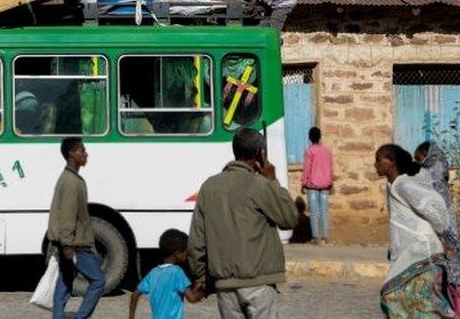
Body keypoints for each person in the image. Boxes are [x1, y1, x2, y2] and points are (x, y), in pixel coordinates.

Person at [188, 128, 298, 319]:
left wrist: (201, 276)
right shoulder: (261, 186)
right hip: (259, 282)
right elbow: (289, 219)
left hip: (225, 285)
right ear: (261, 154)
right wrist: (273, 181)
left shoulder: (209, 187)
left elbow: (197, 240)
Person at [375, 143, 455, 317]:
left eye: (379, 160)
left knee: (403, 299)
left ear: (391, 162)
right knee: (405, 301)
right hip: (411, 253)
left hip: (424, 252)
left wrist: (441, 233)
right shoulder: (394, 185)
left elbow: (434, 213)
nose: (376, 165)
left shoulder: (404, 186)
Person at [48, 137, 104, 319]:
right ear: (72, 153)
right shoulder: (72, 181)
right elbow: (68, 216)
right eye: (82, 150)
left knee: (64, 283)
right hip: (75, 245)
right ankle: (80, 317)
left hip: (68, 243)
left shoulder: (68, 177)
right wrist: (67, 245)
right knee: (98, 281)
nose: (85, 154)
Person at [414, 142, 460, 314]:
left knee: (447, 273)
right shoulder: (436, 170)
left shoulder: (433, 173)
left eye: (417, 157)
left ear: (427, 155)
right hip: (445, 228)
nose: (416, 161)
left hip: (442, 230)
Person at [129, 229, 205, 319]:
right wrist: (204, 291)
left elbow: (134, 295)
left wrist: (131, 317)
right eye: (186, 251)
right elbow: (192, 298)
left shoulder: (153, 273)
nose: (187, 254)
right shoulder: (177, 272)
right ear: (178, 253)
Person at [300, 127, 334, 245]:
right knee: (324, 211)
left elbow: (307, 169)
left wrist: (303, 183)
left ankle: (315, 237)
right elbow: (330, 168)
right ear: (320, 137)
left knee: (313, 211)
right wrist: (331, 182)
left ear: (310, 138)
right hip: (325, 184)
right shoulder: (327, 151)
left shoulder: (309, 151)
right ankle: (325, 237)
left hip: (312, 185)